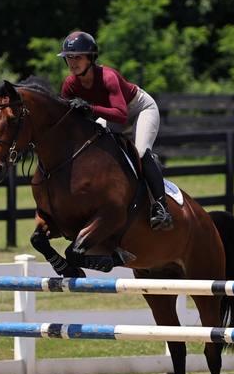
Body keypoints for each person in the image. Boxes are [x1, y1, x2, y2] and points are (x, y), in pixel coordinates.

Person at [57, 31, 173, 230]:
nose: (73, 62)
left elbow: (121, 114)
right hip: (112, 115)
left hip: (139, 110)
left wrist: (90, 108)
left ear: (91, 58)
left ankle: (161, 208)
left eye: (78, 57)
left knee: (141, 152)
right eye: (69, 57)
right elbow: (65, 120)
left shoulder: (108, 77)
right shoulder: (70, 84)